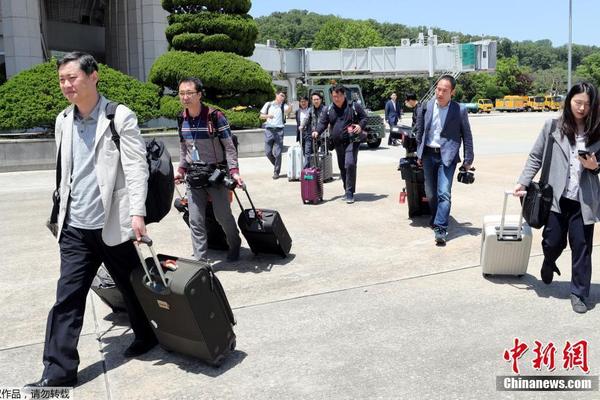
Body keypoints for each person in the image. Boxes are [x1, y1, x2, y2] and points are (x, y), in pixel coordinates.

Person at [27, 52, 157, 388]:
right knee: (67, 297)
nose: (66, 85)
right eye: (62, 80)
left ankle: (146, 335)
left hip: (111, 223)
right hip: (75, 227)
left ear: (93, 76)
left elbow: (136, 167)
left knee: (131, 285)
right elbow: (65, 173)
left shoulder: (119, 116)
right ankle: (57, 374)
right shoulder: (63, 120)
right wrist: (59, 213)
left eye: (72, 77)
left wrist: (137, 212)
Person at [513, 81, 600, 314]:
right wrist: (523, 181)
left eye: (587, 104)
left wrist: (594, 166)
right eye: (577, 102)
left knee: (581, 246)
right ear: (569, 101)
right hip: (554, 197)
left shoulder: (597, 131)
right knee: (553, 241)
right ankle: (549, 261)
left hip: (584, 201)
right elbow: (535, 156)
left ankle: (579, 293)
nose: (581, 108)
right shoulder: (552, 126)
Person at [174, 77, 243, 263]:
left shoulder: (215, 116)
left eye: (189, 93)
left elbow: (229, 146)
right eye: (181, 93)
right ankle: (201, 261)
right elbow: (184, 148)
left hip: (215, 175)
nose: (185, 97)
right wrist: (181, 169)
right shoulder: (182, 118)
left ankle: (234, 243)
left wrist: (234, 171)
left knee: (223, 216)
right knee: (195, 220)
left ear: (199, 94)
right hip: (194, 176)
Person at [416, 75, 474, 245]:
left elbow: (467, 136)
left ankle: (441, 228)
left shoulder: (459, 110)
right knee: (431, 193)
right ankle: (436, 217)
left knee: (444, 193)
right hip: (428, 154)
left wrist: (468, 159)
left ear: (452, 92)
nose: (440, 93)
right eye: (438, 89)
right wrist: (419, 153)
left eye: (444, 90)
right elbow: (420, 131)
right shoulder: (427, 106)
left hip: (447, 156)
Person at [315, 84, 368, 204]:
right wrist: (316, 131)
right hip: (338, 143)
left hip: (352, 140)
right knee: (342, 167)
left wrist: (360, 126)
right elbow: (323, 123)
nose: (336, 99)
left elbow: (364, 118)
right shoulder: (328, 109)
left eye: (338, 96)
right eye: (334, 96)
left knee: (349, 164)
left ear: (344, 95)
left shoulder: (354, 106)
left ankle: (350, 192)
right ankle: (347, 189)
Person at [260, 90, 291, 179]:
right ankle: (276, 165)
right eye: (281, 95)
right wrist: (268, 116)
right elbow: (261, 116)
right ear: (276, 95)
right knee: (268, 152)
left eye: (284, 96)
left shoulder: (283, 106)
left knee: (278, 153)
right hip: (269, 130)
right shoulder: (268, 104)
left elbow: (288, 111)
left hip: (279, 131)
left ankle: (276, 171)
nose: (282, 97)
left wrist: (290, 107)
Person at [300, 92, 327, 167]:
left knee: (323, 153)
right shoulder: (310, 110)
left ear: (321, 100)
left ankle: (323, 172)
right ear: (312, 101)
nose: (316, 101)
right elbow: (306, 118)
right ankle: (310, 170)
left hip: (323, 135)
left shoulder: (325, 109)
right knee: (310, 153)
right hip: (313, 135)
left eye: (317, 99)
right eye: (314, 99)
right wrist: (302, 125)